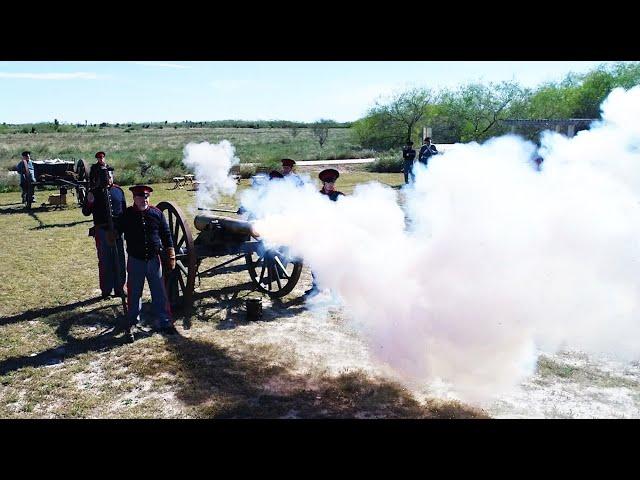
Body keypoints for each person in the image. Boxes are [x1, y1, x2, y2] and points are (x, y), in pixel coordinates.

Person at [118, 185, 177, 336]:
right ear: (134, 198)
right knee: (134, 293)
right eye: (140, 197)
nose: (143, 200)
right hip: (135, 260)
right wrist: (112, 233)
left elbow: (166, 233)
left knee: (159, 293)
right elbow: (117, 229)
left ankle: (164, 320)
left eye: (146, 197)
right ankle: (132, 321)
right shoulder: (127, 215)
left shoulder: (156, 213)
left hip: (153, 260)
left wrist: (171, 253)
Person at [82, 168, 127, 300]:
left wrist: (122, 229)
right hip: (102, 231)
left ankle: (120, 288)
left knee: (120, 260)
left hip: (118, 231)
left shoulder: (118, 191)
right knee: (105, 260)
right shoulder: (94, 192)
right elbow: (85, 212)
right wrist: (89, 201)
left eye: (110, 175)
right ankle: (106, 290)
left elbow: (123, 211)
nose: (108, 178)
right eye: (105, 176)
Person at [305, 168, 345, 297]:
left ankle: (335, 291)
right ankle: (317, 286)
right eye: (328, 183)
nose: (331, 185)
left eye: (332, 182)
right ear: (324, 183)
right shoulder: (317, 196)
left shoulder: (340, 196)